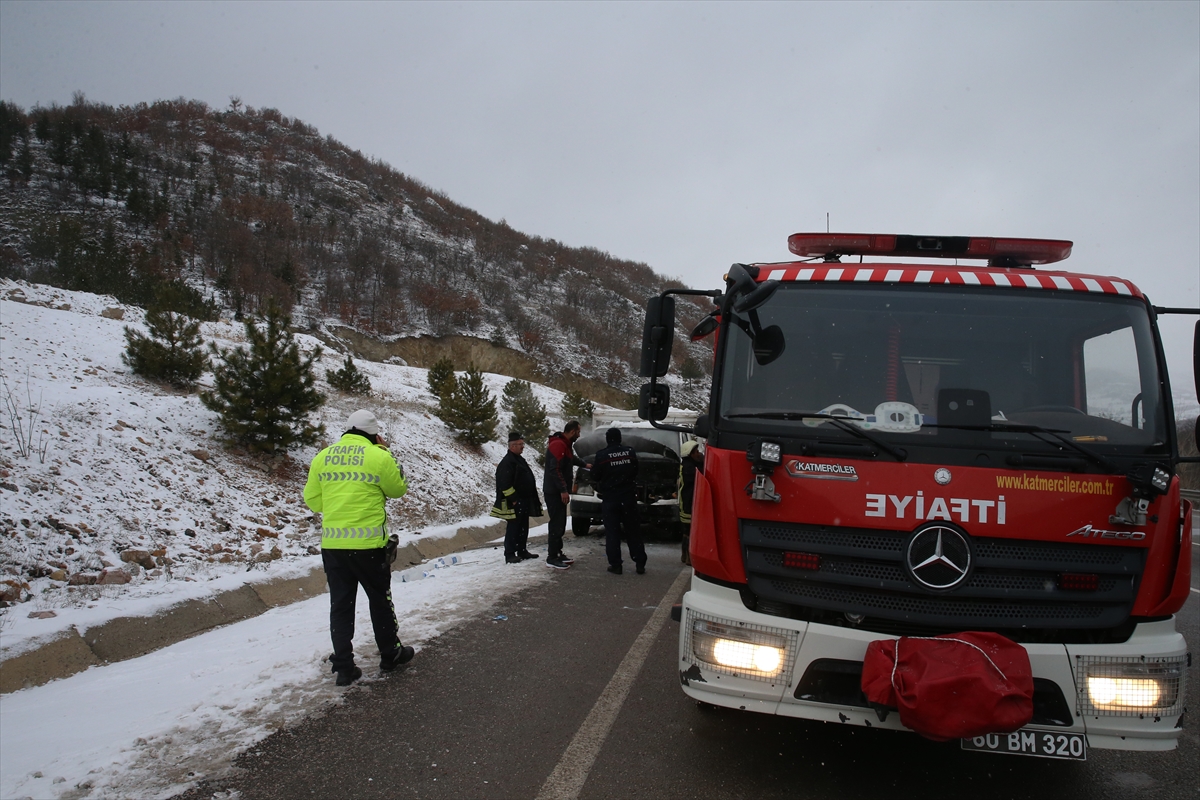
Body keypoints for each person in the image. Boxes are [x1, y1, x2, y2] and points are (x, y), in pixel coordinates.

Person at [304, 409, 415, 686]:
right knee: (379, 600)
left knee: (341, 605)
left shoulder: (323, 457)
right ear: (374, 434)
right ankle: (390, 654)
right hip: (369, 547)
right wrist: (387, 454)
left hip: (333, 546)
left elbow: (313, 501)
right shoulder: (378, 455)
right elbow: (398, 489)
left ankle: (344, 666)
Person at [590, 427, 646, 575]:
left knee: (612, 533)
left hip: (611, 499)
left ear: (607, 439)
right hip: (628, 499)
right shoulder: (630, 452)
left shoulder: (602, 455)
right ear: (620, 439)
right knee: (633, 531)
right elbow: (635, 471)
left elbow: (595, 476)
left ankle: (616, 565)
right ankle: (640, 563)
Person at [490, 430, 542, 564]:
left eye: (522, 444)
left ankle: (522, 550)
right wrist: (513, 499)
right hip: (515, 502)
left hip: (524, 500)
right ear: (512, 446)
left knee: (523, 526)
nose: (523, 447)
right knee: (514, 528)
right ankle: (510, 554)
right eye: (520, 444)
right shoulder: (507, 462)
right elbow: (504, 483)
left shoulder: (518, 459)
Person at [543, 420, 586, 569]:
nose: (579, 435)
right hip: (554, 492)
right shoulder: (558, 445)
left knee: (560, 523)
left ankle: (557, 552)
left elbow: (570, 459)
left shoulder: (565, 445)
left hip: (558, 491)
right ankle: (552, 557)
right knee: (556, 524)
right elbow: (554, 470)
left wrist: (585, 464)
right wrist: (563, 490)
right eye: (578, 432)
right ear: (572, 431)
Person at [678, 439, 704, 566]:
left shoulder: (686, 465)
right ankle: (688, 557)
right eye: (696, 452)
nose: (698, 454)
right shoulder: (690, 468)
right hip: (688, 502)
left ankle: (684, 555)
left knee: (686, 531)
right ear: (690, 454)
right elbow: (701, 474)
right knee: (689, 530)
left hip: (686, 501)